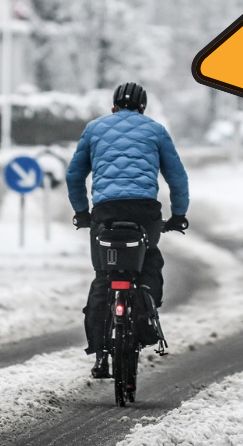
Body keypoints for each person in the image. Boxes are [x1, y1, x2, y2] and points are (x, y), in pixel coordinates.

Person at [67, 82, 189, 379]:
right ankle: (144, 306)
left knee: (104, 275)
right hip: (144, 213)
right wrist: (178, 216)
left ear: (113, 108)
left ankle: (100, 354)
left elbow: (74, 175)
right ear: (143, 109)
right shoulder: (156, 130)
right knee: (149, 260)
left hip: (106, 213)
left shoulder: (94, 129)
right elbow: (177, 178)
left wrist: (82, 212)